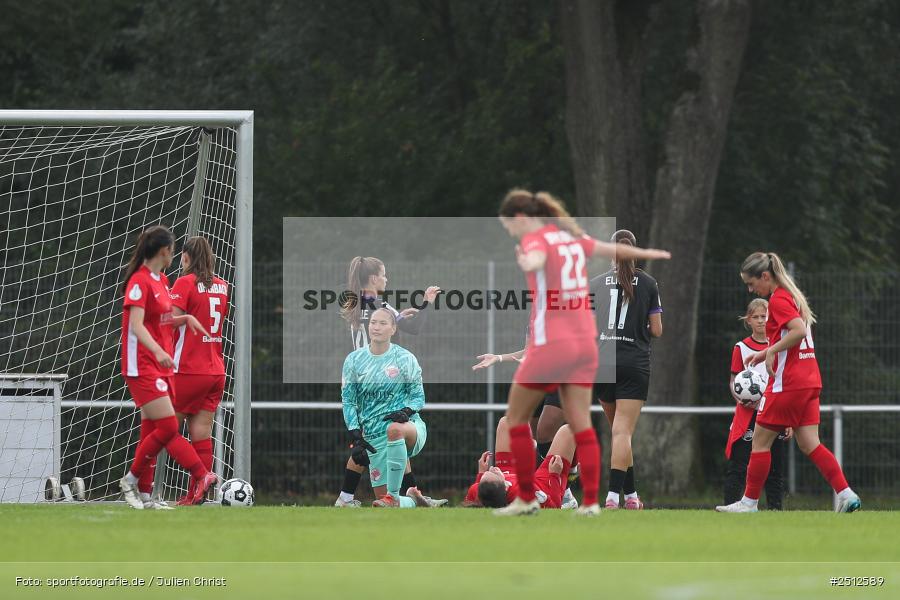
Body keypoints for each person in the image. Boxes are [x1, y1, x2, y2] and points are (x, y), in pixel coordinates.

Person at [491, 189, 670, 517]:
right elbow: (656, 330)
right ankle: (600, 499)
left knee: (522, 420)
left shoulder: (570, 262)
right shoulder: (629, 273)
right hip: (622, 360)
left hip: (585, 358)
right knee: (608, 430)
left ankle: (541, 495)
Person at [716, 252, 860, 513]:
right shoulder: (792, 296)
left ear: (765, 276)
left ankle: (748, 503)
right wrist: (767, 350)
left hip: (788, 383)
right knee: (809, 443)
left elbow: (798, 331)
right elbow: (791, 335)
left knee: (759, 442)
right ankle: (846, 493)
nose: (751, 290)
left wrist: (771, 351)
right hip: (809, 380)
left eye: (752, 283)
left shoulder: (780, 299)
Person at [118, 225, 218, 509]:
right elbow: (136, 325)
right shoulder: (139, 281)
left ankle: (147, 496)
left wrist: (184, 319)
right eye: (172, 250)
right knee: (166, 426)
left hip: (161, 364)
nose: (174, 255)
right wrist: (160, 350)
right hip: (142, 365)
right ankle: (134, 479)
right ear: (165, 251)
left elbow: (160, 321)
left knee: (152, 429)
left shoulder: (161, 280)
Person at [334, 256, 444, 507]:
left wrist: (397, 316)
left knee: (383, 437)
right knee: (380, 437)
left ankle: (410, 492)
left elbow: (383, 321)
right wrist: (427, 302)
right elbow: (414, 328)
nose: (386, 279)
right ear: (374, 279)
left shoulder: (355, 302)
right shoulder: (378, 304)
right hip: (378, 379)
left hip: (360, 378)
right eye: (384, 275)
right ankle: (348, 497)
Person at [593, 229, 662, 510]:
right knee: (622, 432)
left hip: (603, 363)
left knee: (619, 432)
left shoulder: (595, 283)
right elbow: (657, 330)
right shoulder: (648, 283)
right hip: (634, 363)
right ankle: (613, 497)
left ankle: (631, 496)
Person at [340, 308, 433, 508]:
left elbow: (418, 396)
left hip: (408, 426)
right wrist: (356, 437)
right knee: (384, 504)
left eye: (383, 323)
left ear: (393, 329)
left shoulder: (405, 358)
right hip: (374, 436)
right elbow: (348, 401)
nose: (376, 327)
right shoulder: (353, 360)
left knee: (394, 429)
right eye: (373, 322)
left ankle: (394, 496)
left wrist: (406, 412)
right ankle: (413, 500)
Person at [168, 236, 229, 506]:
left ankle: (203, 475)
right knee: (200, 431)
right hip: (215, 369)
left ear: (185, 257)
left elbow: (168, 321)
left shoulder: (184, 283)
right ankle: (196, 496)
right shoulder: (222, 286)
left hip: (188, 369)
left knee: (162, 430)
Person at [723, 298, 790, 510]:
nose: (761, 321)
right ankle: (732, 506)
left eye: (765, 316)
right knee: (739, 465)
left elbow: (784, 382)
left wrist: (788, 420)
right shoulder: (741, 348)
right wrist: (742, 398)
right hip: (747, 415)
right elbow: (734, 381)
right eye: (757, 317)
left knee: (774, 467)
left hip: (774, 411)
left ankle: (775, 510)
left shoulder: (779, 346)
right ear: (748, 320)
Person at [463, 417, 576, 509]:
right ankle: (568, 483)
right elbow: (554, 508)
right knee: (569, 430)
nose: (492, 467)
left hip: (511, 473)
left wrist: (481, 473)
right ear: (506, 487)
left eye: (488, 472)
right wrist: (555, 475)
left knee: (507, 422)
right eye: (495, 472)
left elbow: (474, 501)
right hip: (542, 485)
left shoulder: (476, 490)